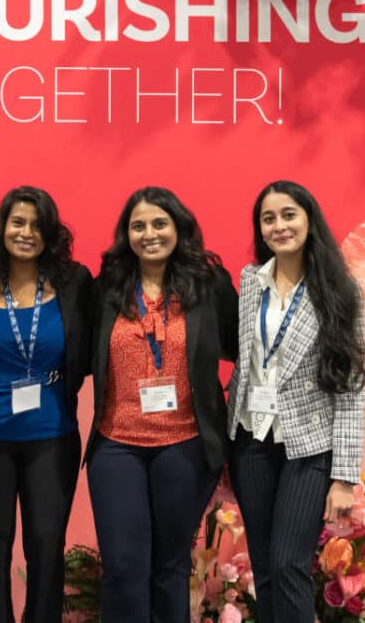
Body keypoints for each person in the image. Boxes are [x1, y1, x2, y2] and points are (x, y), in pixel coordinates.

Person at [87, 186, 238, 623]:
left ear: (178, 228)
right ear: (126, 235)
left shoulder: (209, 286)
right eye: (138, 226)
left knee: (170, 568)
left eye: (159, 223)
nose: (149, 234)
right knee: (122, 569)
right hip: (117, 446)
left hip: (185, 445)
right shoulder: (109, 287)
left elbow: (238, 347)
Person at [227, 180, 365, 623]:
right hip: (251, 439)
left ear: (309, 220)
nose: (279, 226)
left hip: (308, 446)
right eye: (268, 218)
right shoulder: (252, 282)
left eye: (288, 215)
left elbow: (350, 387)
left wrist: (344, 477)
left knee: (289, 562)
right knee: (265, 566)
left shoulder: (339, 291)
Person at [0, 186, 93, 623]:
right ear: (3, 227)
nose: (26, 232)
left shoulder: (74, 282)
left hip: (51, 439)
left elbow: (85, 353)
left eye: (36, 224)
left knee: (47, 551)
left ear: (51, 233)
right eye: (18, 222)